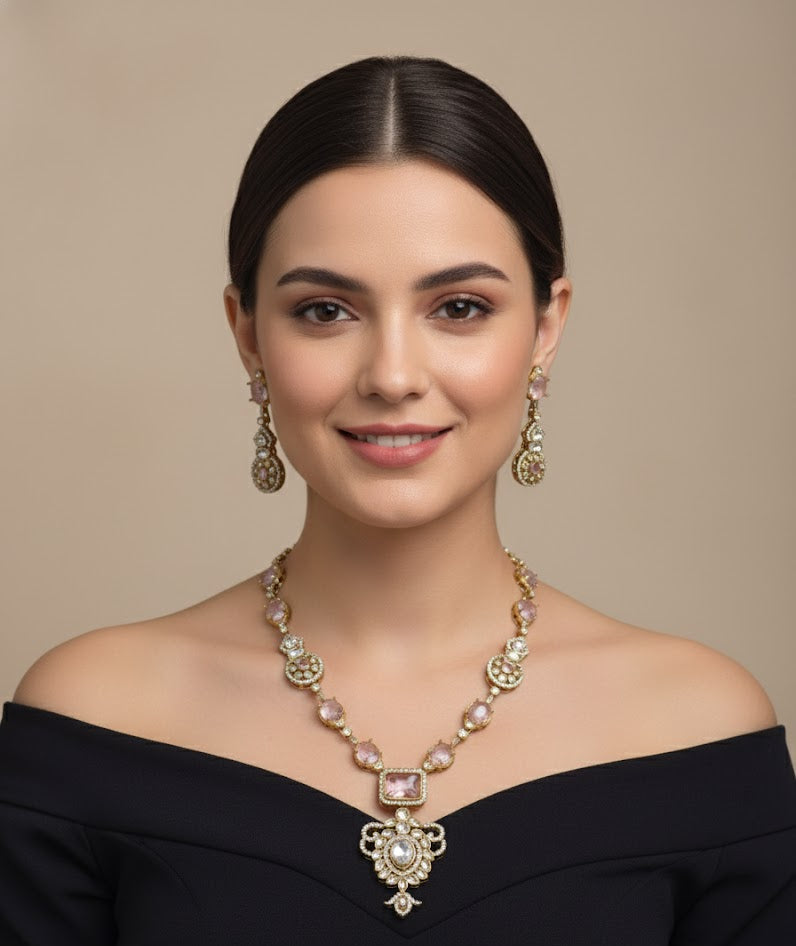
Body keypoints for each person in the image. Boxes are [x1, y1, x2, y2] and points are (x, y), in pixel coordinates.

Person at [1, 54, 794, 943]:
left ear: (546, 326)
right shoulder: (93, 718)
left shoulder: (698, 731)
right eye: (325, 311)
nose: (391, 376)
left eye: (458, 308)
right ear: (247, 334)